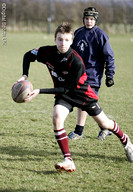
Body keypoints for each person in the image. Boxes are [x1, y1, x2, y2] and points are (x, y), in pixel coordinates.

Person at [16, 22, 133, 172]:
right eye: (59, 39)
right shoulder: (48, 52)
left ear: (72, 41)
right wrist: (25, 74)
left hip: (82, 94)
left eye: (66, 40)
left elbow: (66, 88)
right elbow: (28, 55)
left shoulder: (76, 61)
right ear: (54, 39)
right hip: (64, 95)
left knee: (105, 124)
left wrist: (39, 91)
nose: (62, 43)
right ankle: (68, 160)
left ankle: (127, 142)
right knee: (57, 117)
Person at [68, 7, 115, 141]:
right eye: (87, 19)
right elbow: (71, 53)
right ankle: (105, 128)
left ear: (96, 21)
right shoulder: (77, 33)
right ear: (83, 19)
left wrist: (110, 75)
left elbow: (109, 56)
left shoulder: (100, 35)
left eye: (92, 19)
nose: (89, 21)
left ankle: (80, 131)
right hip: (78, 74)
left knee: (86, 102)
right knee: (86, 102)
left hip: (93, 75)